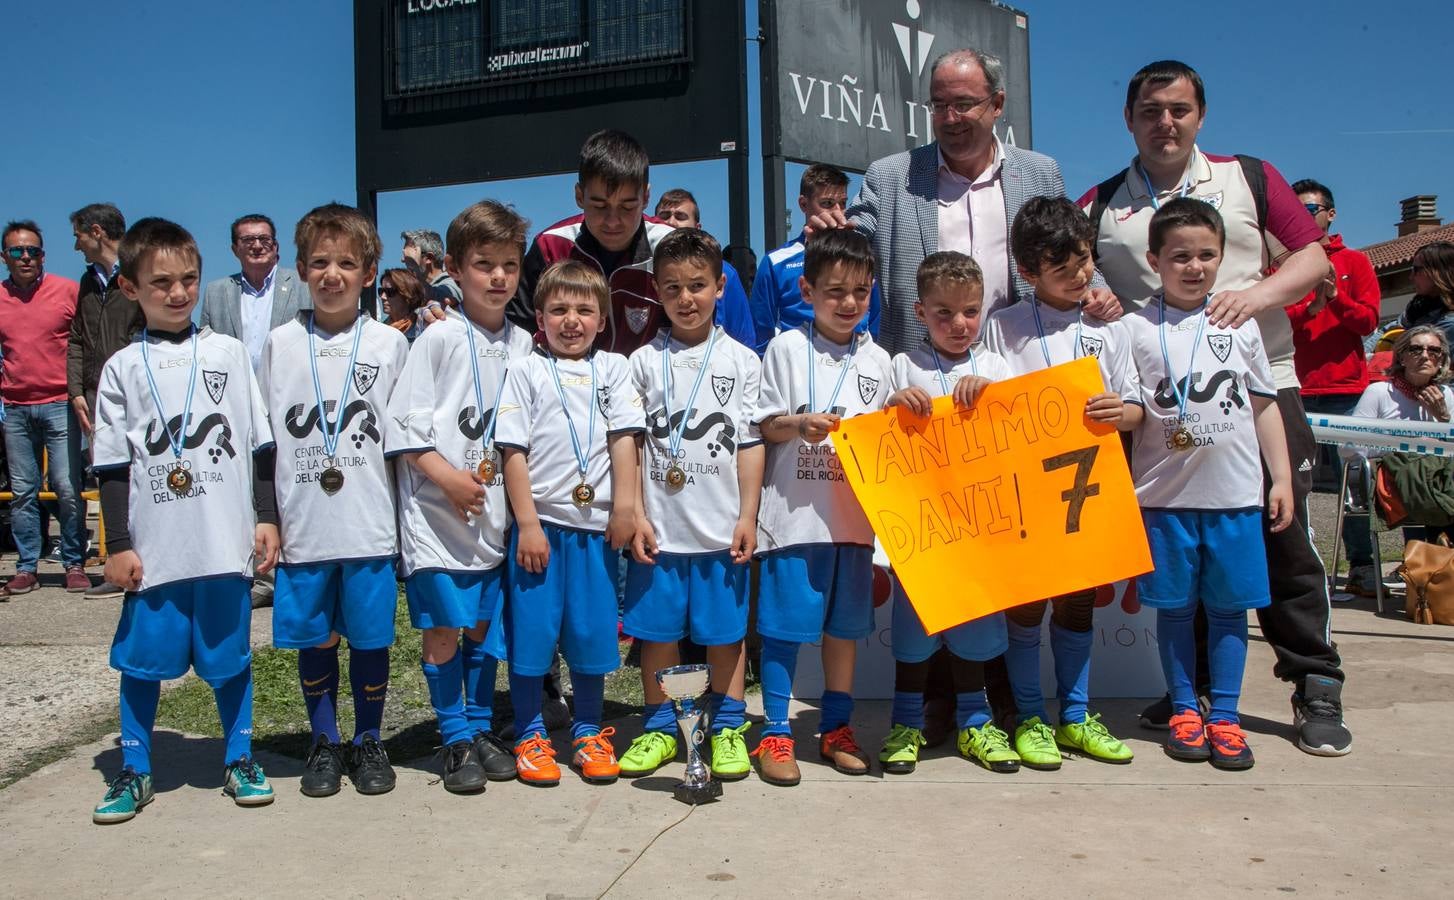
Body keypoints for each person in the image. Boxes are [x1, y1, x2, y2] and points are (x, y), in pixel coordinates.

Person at [1079, 59, 1350, 756]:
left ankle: (1313, 682)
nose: (1163, 122)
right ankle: (1190, 696)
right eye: (1149, 110)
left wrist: (1254, 300)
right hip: (1160, 406)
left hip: (1258, 383)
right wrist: (1094, 298)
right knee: (1184, 548)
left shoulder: (1248, 177)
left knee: (1282, 539)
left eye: (1178, 109)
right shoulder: (1103, 202)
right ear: (1129, 118)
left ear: (1200, 115)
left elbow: (1314, 259)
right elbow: (1070, 276)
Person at [90, 217, 278, 823]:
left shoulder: (226, 352)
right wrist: (117, 543)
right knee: (143, 662)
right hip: (157, 550)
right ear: (130, 288)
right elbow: (113, 465)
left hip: (223, 546)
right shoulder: (120, 368)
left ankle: (239, 758)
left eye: (189, 279)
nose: (177, 293)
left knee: (231, 661)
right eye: (161, 282)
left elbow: (259, 446)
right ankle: (136, 767)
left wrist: (266, 518)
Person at [1126, 197, 1293, 770]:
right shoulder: (1134, 329)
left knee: (1228, 612)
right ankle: (1183, 710)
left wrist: (1281, 480)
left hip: (1235, 498)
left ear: (1222, 257)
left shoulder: (1238, 324)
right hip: (1164, 499)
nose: (1194, 267)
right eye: (1180, 256)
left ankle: (1224, 715)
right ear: (1154, 259)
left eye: (1206, 255)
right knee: (1173, 611)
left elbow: (1264, 405)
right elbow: (1128, 410)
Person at [813, 49, 1115, 356]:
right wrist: (829, 235)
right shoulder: (890, 176)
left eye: (963, 104)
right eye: (939, 105)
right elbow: (851, 242)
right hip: (921, 376)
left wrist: (1097, 288)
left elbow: (1072, 247)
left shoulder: (1040, 172)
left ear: (997, 104)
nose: (949, 118)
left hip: (1022, 365)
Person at [982, 196, 1142, 770]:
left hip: (1090, 493)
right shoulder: (1002, 327)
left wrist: (1118, 411)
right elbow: (984, 403)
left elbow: (1139, 410)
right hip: (1026, 497)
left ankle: (1075, 717)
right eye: (1062, 267)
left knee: (1077, 609)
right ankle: (1029, 717)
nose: (1079, 275)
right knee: (1024, 612)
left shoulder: (1111, 328)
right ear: (1028, 272)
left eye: (1085, 261)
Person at [257, 204, 408, 798]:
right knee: (317, 639)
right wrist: (266, 518)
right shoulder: (279, 343)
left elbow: (405, 446)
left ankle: (369, 740)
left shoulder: (389, 345)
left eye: (347, 263)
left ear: (369, 271)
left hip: (369, 523)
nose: (332, 274)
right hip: (304, 527)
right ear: (299, 269)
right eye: (319, 262)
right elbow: (264, 443)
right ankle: (324, 741)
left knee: (371, 638)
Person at [389, 200, 535, 793]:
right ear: (453, 266)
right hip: (437, 513)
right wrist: (447, 477)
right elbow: (404, 429)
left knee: (482, 629)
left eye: (508, 265)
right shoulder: (439, 338)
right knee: (445, 630)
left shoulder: (525, 344)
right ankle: (452, 738)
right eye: (483, 264)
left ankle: (478, 727)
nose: (498, 277)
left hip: (493, 513)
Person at [618, 228, 763, 781]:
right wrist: (632, 511)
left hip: (720, 531)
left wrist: (748, 515)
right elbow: (630, 444)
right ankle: (661, 728)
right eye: (673, 287)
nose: (686, 298)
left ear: (720, 286)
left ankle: (726, 728)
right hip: (660, 532)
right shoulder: (641, 363)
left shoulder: (743, 361)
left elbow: (750, 445)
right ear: (657, 290)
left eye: (698, 285)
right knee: (657, 635)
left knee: (725, 637)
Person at [495, 259, 645, 786]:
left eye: (585, 309)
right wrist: (528, 523)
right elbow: (512, 451)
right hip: (541, 532)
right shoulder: (525, 369)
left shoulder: (615, 369)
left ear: (603, 318)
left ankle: (587, 731)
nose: (572, 320)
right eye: (558, 309)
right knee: (533, 635)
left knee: (590, 634)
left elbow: (624, 438)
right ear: (540, 316)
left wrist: (625, 506)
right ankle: (532, 733)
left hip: (596, 532)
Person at [751, 229, 893, 786]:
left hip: (852, 526)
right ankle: (777, 734)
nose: (849, 302)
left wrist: (907, 403)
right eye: (835, 291)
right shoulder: (786, 348)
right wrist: (798, 425)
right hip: (794, 521)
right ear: (807, 290)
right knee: (785, 632)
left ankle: (836, 729)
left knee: (842, 631)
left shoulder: (881, 359)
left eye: (860, 290)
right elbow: (765, 424)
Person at [877, 251, 1017, 776]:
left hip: (979, 528)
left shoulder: (996, 366)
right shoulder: (902, 365)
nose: (959, 325)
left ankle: (976, 722)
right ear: (918, 311)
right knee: (915, 632)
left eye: (970, 312)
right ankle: (906, 722)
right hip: (921, 528)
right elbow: (878, 436)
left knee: (976, 630)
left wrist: (993, 398)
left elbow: (1013, 434)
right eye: (944, 313)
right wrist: (895, 404)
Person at [1285, 179, 1381, 595]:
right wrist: (1312, 303)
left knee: (1353, 482)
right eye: (1295, 209)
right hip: (1295, 388)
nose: (1303, 217)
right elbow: (1279, 325)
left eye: (1310, 209)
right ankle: (1295, 566)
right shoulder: (1283, 263)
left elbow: (1368, 322)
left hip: (1346, 391)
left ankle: (1361, 565)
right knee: (1293, 482)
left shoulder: (1355, 261)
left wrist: (1336, 298)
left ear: (1330, 213)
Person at [505, 129, 675, 355]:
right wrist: (453, 311)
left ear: (645, 197)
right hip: (566, 386)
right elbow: (513, 331)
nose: (613, 221)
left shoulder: (672, 247)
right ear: (579, 196)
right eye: (599, 206)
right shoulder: (551, 247)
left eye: (627, 207)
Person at [0, 221, 90, 594]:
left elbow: (85, 340)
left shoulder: (67, 291)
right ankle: (26, 568)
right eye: (17, 251)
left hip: (60, 404)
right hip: (16, 408)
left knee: (67, 488)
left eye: (32, 251)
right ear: (4, 256)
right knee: (22, 491)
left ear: (43, 256)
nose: (25, 257)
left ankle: (73, 563)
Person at [69, 203, 146, 600]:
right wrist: (76, 390)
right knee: (109, 473)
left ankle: (146, 559)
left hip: (137, 389)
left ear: (96, 232)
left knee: (142, 475)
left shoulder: (138, 269)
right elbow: (77, 337)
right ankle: (119, 560)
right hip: (96, 393)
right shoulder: (88, 282)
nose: (76, 244)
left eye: (78, 235)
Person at [749, 164, 883, 355]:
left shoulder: (860, 255)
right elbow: (762, 331)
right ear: (804, 204)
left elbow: (875, 317)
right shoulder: (777, 261)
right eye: (827, 203)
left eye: (843, 203)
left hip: (853, 361)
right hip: (797, 365)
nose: (838, 211)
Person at [1342, 326, 1454, 544]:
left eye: (1433, 351)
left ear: (1440, 361)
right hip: (1393, 477)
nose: (1425, 356)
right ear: (1401, 357)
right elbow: (1348, 448)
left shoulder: (1446, 395)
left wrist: (1443, 420)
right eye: (1415, 350)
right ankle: (1435, 559)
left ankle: (1433, 560)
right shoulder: (1380, 393)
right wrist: (1402, 445)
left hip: (1437, 477)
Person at [199, 215, 312, 372]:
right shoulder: (215, 292)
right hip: (235, 390)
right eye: (248, 240)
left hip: (289, 388)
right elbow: (205, 350)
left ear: (275, 246)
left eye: (264, 239)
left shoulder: (304, 285)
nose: (257, 246)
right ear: (235, 249)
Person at [651, 187, 756, 348]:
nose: (670, 222)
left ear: (697, 226)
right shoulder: (643, 268)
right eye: (664, 216)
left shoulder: (724, 271)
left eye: (680, 216)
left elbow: (742, 336)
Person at [1400, 242, 1454, 349]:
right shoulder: (1416, 308)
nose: (1411, 277)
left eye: (1416, 270)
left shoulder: (1450, 324)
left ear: (1439, 272)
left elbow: (1410, 354)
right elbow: (1385, 332)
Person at [401, 229, 463, 306]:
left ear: (428, 258)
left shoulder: (451, 284)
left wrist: (414, 267)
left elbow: (439, 299)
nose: (403, 260)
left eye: (408, 256)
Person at [377, 267, 428, 343]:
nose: (382, 297)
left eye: (390, 292)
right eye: (381, 291)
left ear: (408, 295)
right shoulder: (378, 332)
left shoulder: (424, 331)